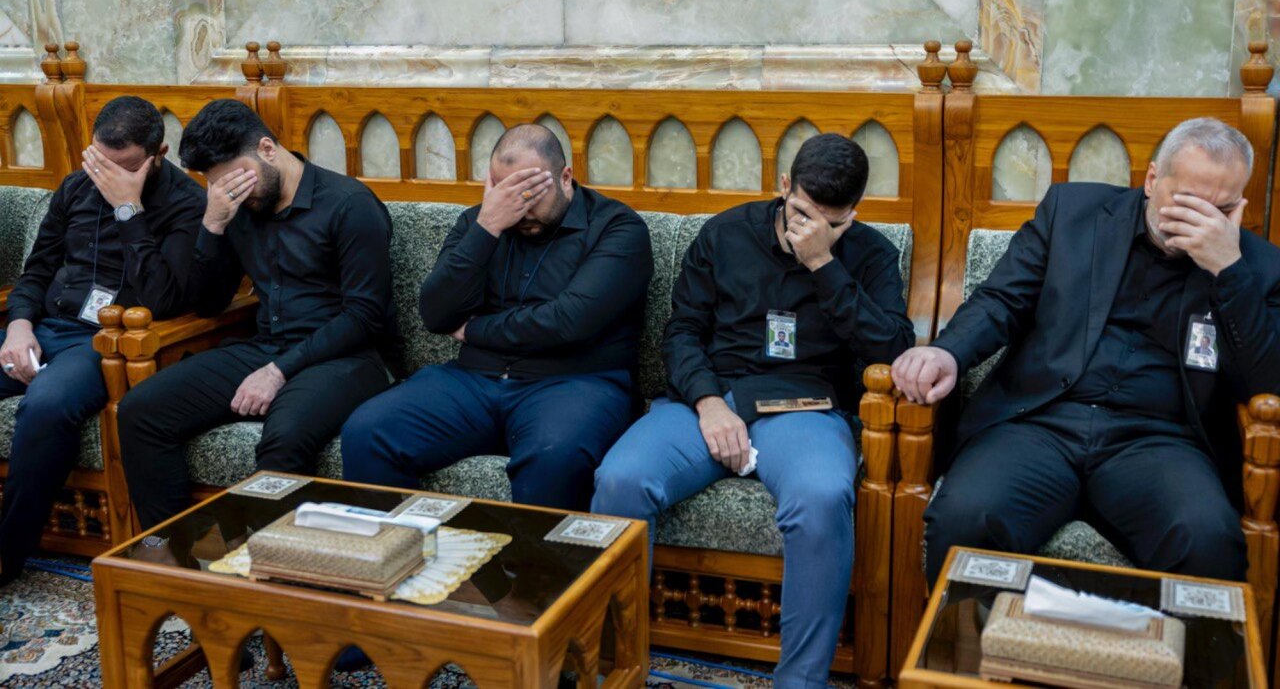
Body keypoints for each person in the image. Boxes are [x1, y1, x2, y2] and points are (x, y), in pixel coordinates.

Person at [892, 117, 1280, 585]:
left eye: (1220, 210)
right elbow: (1002, 300)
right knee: (967, 517)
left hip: (1160, 441)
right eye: (1188, 203)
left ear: (1239, 206)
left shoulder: (1257, 268)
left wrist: (1228, 271)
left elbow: (1266, 382)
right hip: (1042, 422)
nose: (1201, 223)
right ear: (1152, 180)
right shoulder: (1072, 212)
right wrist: (947, 353)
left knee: (1207, 542)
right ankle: (984, 634)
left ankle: (1153, 639)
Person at [592, 134, 914, 689]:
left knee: (821, 497)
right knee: (620, 479)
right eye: (803, 214)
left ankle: (800, 682)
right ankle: (615, 667)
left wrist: (824, 264)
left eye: (832, 223)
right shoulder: (725, 233)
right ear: (784, 186)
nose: (810, 230)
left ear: (853, 213)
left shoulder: (871, 254)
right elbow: (682, 331)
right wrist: (708, 402)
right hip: (712, 395)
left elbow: (892, 348)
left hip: (805, 408)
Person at [341, 124, 652, 511]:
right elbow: (436, 314)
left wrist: (475, 330)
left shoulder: (617, 228)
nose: (520, 207)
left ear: (565, 177)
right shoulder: (480, 222)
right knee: (367, 431)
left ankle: (533, 556)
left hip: (575, 382)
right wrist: (488, 226)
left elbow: (568, 321)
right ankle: (402, 548)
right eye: (507, 192)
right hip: (474, 380)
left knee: (553, 456)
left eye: (531, 192)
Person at [117, 99, 394, 529]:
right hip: (266, 347)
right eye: (216, 184)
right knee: (140, 411)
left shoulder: (349, 204)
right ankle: (174, 551)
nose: (231, 191)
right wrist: (212, 227)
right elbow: (209, 304)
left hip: (347, 356)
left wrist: (278, 372)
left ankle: (272, 566)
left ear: (267, 149)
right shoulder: (238, 208)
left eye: (234, 178)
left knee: (283, 440)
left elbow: (365, 316)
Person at [0, 96, 204, 581]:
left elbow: (165, 299)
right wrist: (19, 325)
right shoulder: (75, 186)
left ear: (159, 154)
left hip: (109, 344)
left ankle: (7, 555)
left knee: (47, 404)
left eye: (125, 167)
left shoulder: (186, 204)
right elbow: (37, 272)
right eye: (99, 162)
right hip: (48, 326)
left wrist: (128, 209)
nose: (107, 176)